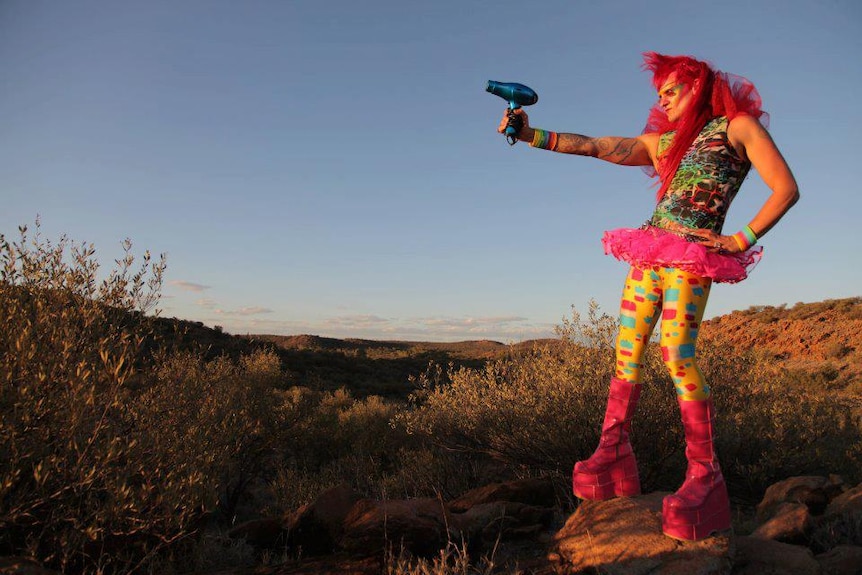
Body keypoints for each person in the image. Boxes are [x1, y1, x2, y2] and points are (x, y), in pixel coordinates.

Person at [498, 52, 799, 541]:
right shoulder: (665, 144)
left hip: (690, 259)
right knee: (625, 352)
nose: (662, 98)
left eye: (671, 90)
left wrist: (739, 240)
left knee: (677, 354)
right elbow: (598, 145)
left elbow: (785, 188)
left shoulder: (738, 128)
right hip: (648, 255)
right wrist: (530, 134)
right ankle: (613, 453)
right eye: (659, 93)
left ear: (698, 86)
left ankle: (706, 476)